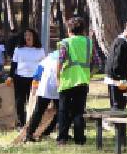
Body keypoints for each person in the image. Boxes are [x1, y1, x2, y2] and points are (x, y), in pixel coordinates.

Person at [55, 17, 93, 145]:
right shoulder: (88, 42)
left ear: (69, 29)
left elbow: (60, 61)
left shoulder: (65, 42)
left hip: (67, 81)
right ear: (83, 29)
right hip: (83, 81)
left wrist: (57, 78)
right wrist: (89, 74)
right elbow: (98, 63)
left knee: (63, 111)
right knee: (79, 111)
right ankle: (79, 139)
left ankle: (62, 138)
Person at [9, 29, 45, 127]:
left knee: (33, 100)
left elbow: (43, 65)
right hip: (20, 78)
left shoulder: (40, 50)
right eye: (26, 35)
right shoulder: (18, 49)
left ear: (34, 37)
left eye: (30, 35)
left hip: (34, 79)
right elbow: (14, 64)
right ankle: (21, 122)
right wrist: (10, 76)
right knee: (20, 101)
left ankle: (32, 122)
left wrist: (41, 77)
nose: (27, 37)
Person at [24, 51, 61, 140]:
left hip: (45, 88)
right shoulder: (64, 59)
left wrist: (34, 89)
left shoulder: (45, 60)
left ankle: (29, 134)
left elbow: (37, 75)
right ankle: (48, 131)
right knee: (61, 112)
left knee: (38, 112)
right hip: (58, 87)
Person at [104, 21, 127, 110]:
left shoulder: (120, 41)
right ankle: (118, 123)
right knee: (118, 104)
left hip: (119, 78)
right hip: (117, 79)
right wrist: (120, 78)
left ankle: (119, 123)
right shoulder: (121, 43)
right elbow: (116, 62)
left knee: (121, 102)